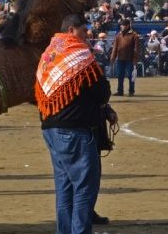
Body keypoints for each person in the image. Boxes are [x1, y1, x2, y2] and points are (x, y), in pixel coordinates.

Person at [36, 14, 112, 234]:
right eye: (82, 30)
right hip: (74, 130)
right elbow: (101, 91)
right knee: (84, 187)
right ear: (71, 30)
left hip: (51, 127)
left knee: (65, 188)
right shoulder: (78, 54)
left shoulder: (50, 53)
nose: (86, 35)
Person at [110, 19, 141, 96]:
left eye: (123, 25)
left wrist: (135, 60)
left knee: (130, 75)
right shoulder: (118, 35)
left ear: (127, 26)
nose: (121, 27)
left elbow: (136, 49)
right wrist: (113, 57)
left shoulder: (134, 35)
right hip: (120, 59)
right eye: (121, 25)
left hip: (130, 59)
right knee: (120, 75)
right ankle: (120, 91)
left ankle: (131, 91)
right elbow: (115, 47)